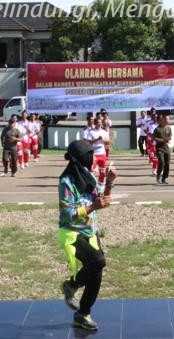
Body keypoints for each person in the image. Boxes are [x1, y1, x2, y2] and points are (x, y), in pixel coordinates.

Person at [58, 139, 115, 333]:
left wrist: (109, 182)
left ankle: (82, 314)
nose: (91, 158)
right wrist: (92, 207)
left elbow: (101, 200)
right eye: (87, 155)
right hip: (72, 233)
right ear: (78, 159)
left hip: (90, 231)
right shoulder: (66, 182)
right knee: (98, 261)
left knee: (95, 273)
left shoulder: (88, 175)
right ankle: (71, 285)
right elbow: (67, 214)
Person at [152, 112, 172, 185]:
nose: (168, 120)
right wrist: (162, 140)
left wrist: (166, 139)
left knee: (167, 163)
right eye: (167, 119)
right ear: (163, 119)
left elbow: (170, 137)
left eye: (168, 119)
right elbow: (154, 138)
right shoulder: (157, 129)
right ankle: (158, 175)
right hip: (159, 147)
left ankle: (164, 178)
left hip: (166, 147)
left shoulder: (169, 128)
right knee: (161, 162)